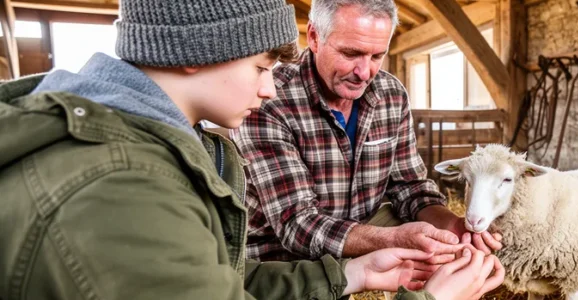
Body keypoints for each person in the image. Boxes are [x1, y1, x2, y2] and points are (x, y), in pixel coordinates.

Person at [0, 0, 502, 299]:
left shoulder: (172, 146)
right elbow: (293, 222)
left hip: (316, 264)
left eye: (377, 55)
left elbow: (226, 279)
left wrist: (363, 268)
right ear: (198, 51)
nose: (268, 85)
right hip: (287, 250)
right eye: (262, 67)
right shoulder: (126, 185)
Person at [233, 0, 503, 266]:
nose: (364, 73)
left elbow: (410, 186)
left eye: (376, 56)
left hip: (364, 233)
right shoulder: (269, 99)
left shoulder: (391, 94)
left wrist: (452, 226)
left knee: (443, 258)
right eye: (350, 54)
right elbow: (297, 224)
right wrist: (393, 240)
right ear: (314, 37)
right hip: (282, 259)